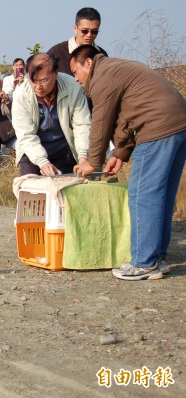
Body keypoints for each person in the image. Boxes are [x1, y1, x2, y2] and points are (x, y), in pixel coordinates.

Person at [70, 45, 186, 281]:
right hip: (179, 124)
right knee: (160, 194)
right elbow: (124, 118)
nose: (76, 78)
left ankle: (144, 262)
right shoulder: (117, 69)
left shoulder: (103, 76)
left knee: (142, 193)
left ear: (89, 63)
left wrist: (93, 162)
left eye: (75, 71)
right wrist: (120, 154)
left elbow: (101, 122)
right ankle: (157, 258)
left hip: (158, 128)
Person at [11, 53, 90, 176]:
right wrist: (42, 162)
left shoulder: (73, 88)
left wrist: (83, 156)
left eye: (44, 80)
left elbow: (82, 125)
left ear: (56, 73)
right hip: (31, 151)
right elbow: (26, 135)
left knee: (69, 187)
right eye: (33, 81)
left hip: (64, 149)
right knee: (30, 188)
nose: (38, 87)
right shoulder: (20, 95)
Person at [47, 7, 108, 75]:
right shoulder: (56, 53)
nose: (89, 35)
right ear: (75, 28)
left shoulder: (102, 55)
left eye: (94, 31)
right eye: (84, 31)